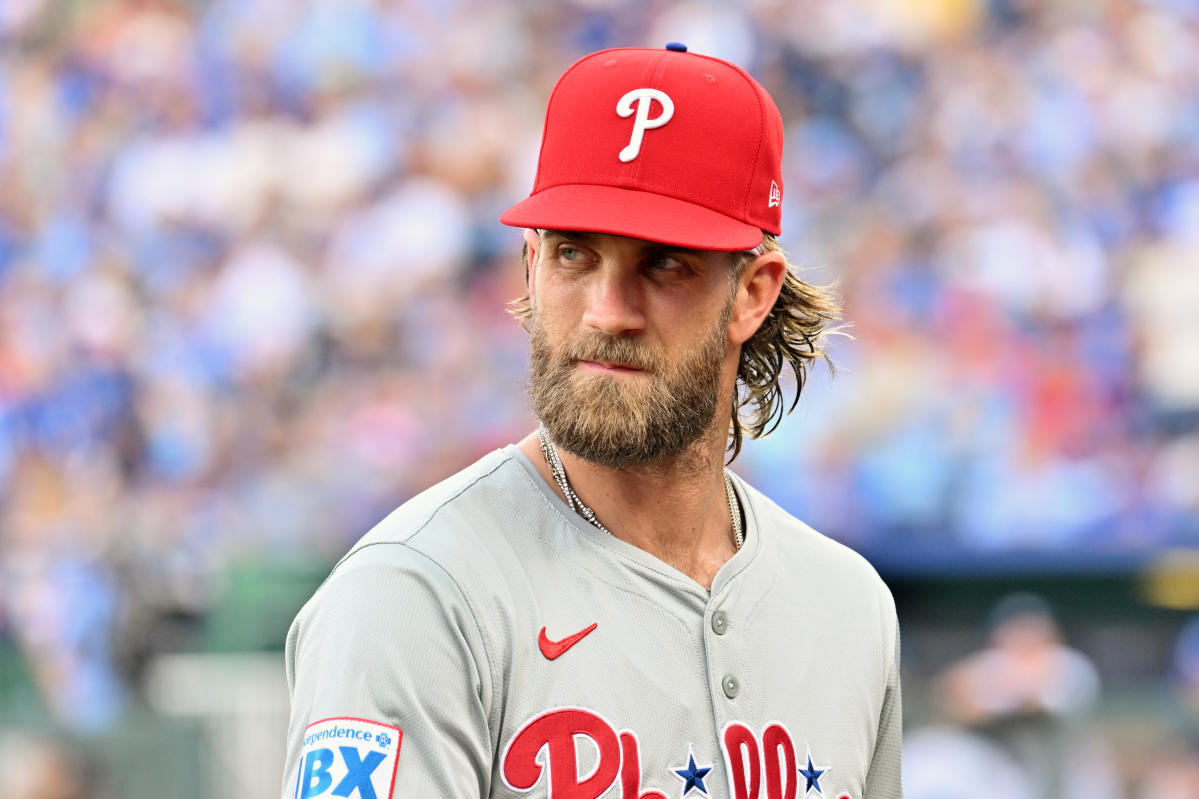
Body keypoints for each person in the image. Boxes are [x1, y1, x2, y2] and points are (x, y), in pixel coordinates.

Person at [281, 44, 902, 799]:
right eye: (575, 254)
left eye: (664, 264)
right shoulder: (416, 594)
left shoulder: (847, 604)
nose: (608, 311)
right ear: (530, 265)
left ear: (751, 295)